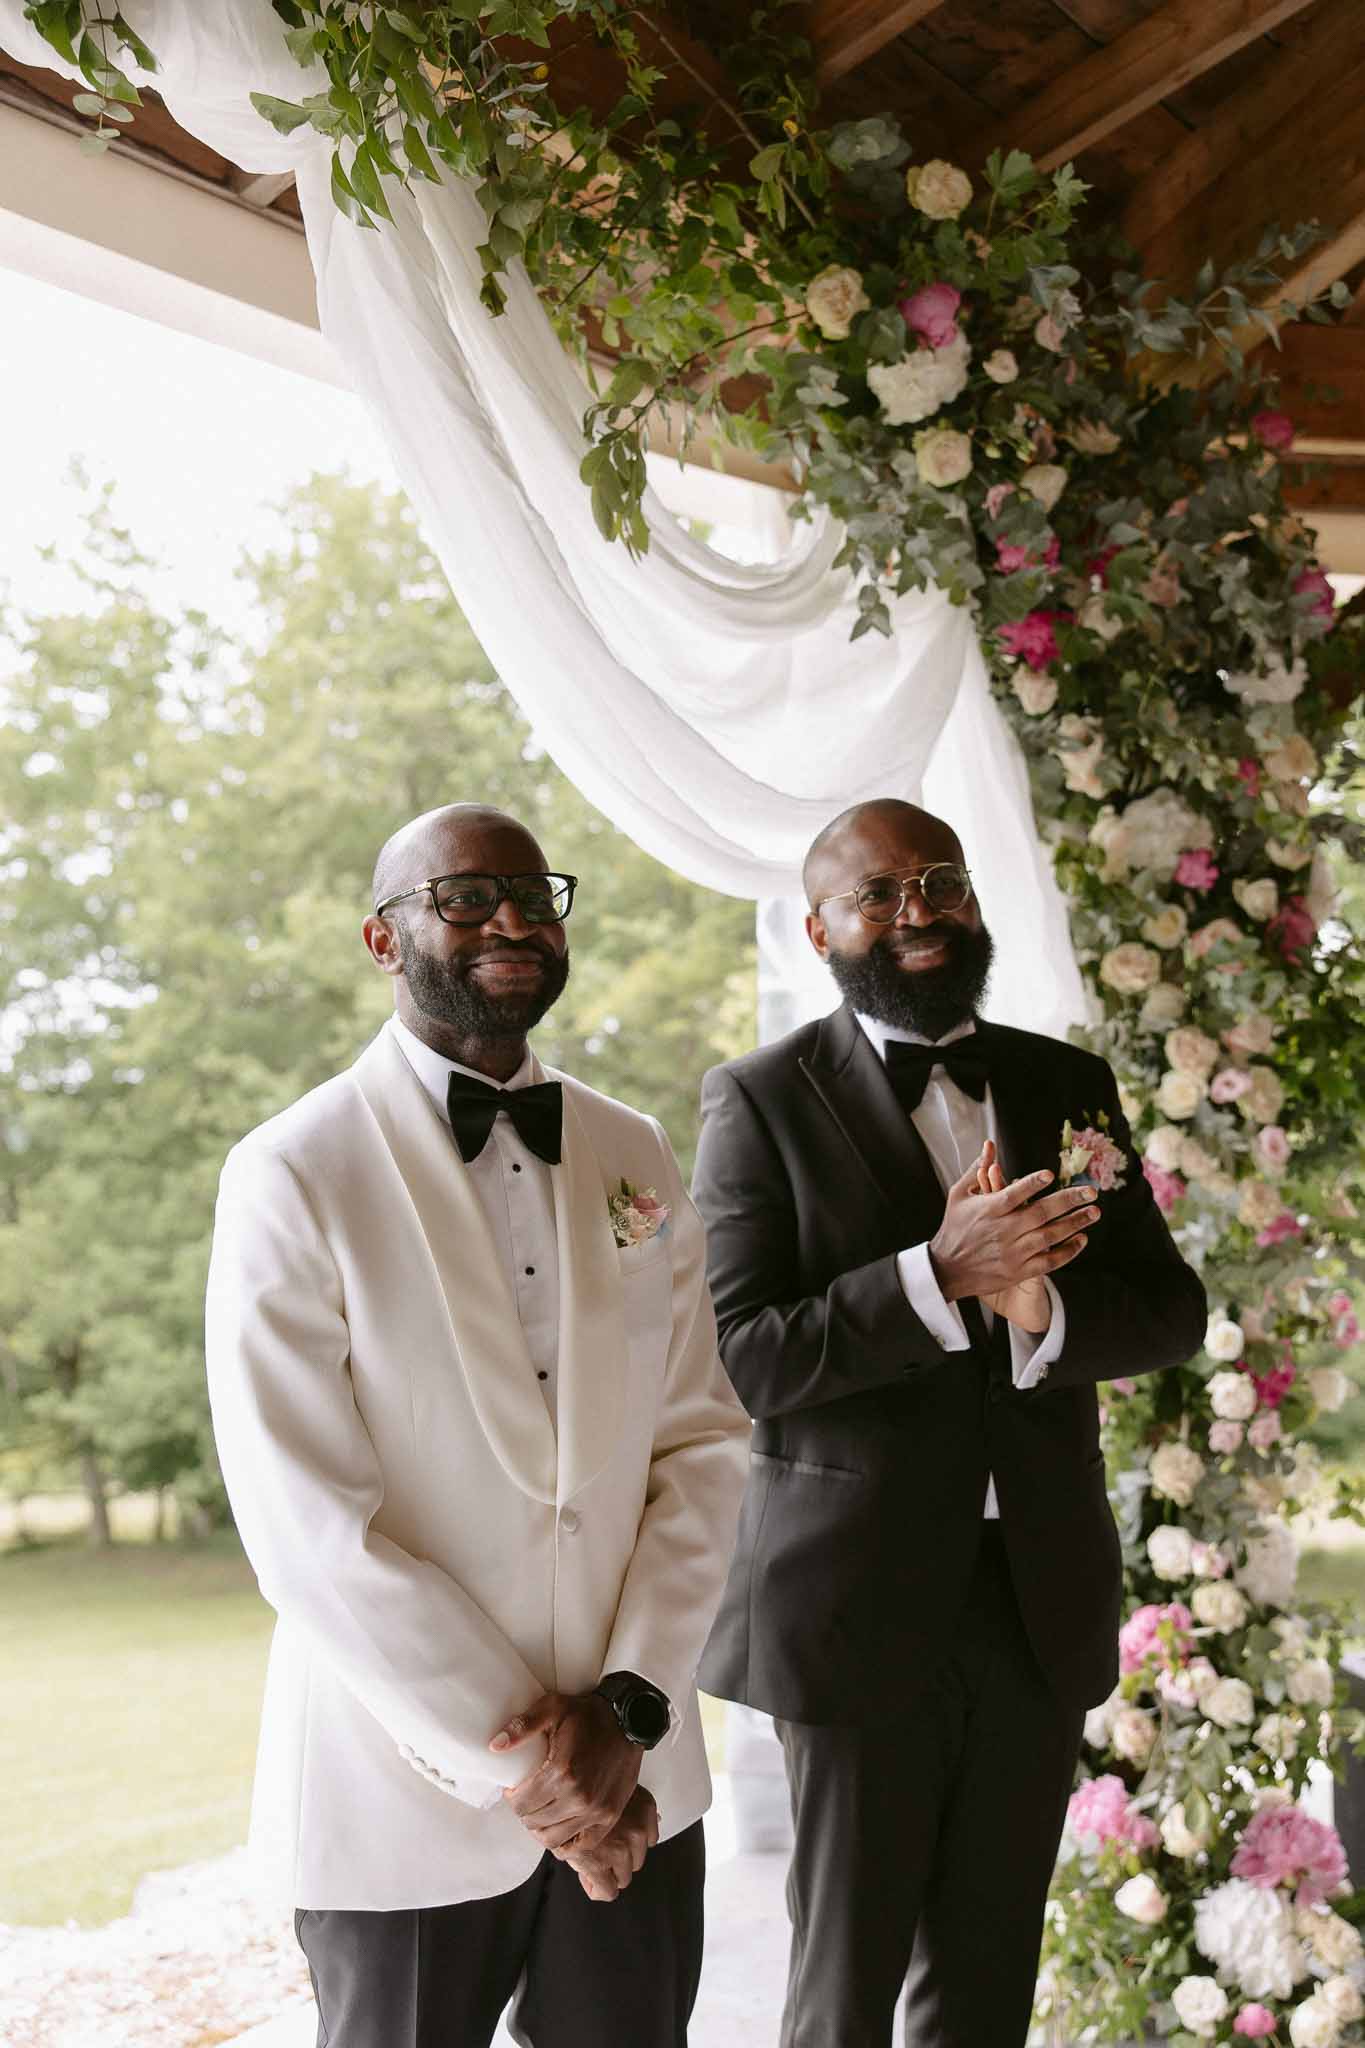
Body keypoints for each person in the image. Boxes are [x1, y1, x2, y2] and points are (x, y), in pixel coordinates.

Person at [205, 803, 750, 2048]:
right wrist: (539, 1768)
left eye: (533, 893)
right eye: (463, 897)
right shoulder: (293, 1169)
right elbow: (306, 1527)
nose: (510, 918)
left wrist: (627, 1713)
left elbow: (701, 1441)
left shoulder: (636, 1152)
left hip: (639, 1779)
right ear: (383, 939)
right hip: (394, 1792)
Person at [693, 797, 1207, 2048]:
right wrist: (935, 1275)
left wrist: (1041, 1307)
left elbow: (1170, 1310)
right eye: (881, 892)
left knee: (986, 1984)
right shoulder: (758, 1098)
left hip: (1037, 1598)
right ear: (821, 929)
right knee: (844, 1990)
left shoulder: (1065, 1084)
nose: (917, 910)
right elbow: (740, 1352)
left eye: (940, 882)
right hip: (853, 1607)